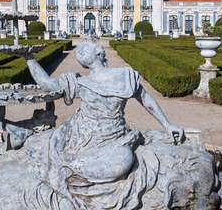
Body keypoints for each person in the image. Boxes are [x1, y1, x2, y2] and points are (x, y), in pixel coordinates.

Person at [21, 41, 184, 208]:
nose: (81, 53)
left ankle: (72, 186)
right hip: (81, 138)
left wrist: (168, 125)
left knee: (125, 159)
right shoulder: (82, 82)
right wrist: (29, 57)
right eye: (80, 52)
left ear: (98, 53)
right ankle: (71, 187)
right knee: (119, 160)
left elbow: (145, 99)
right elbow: (47, 83)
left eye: (84, 50)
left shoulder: (124, 76)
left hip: (114, 139)